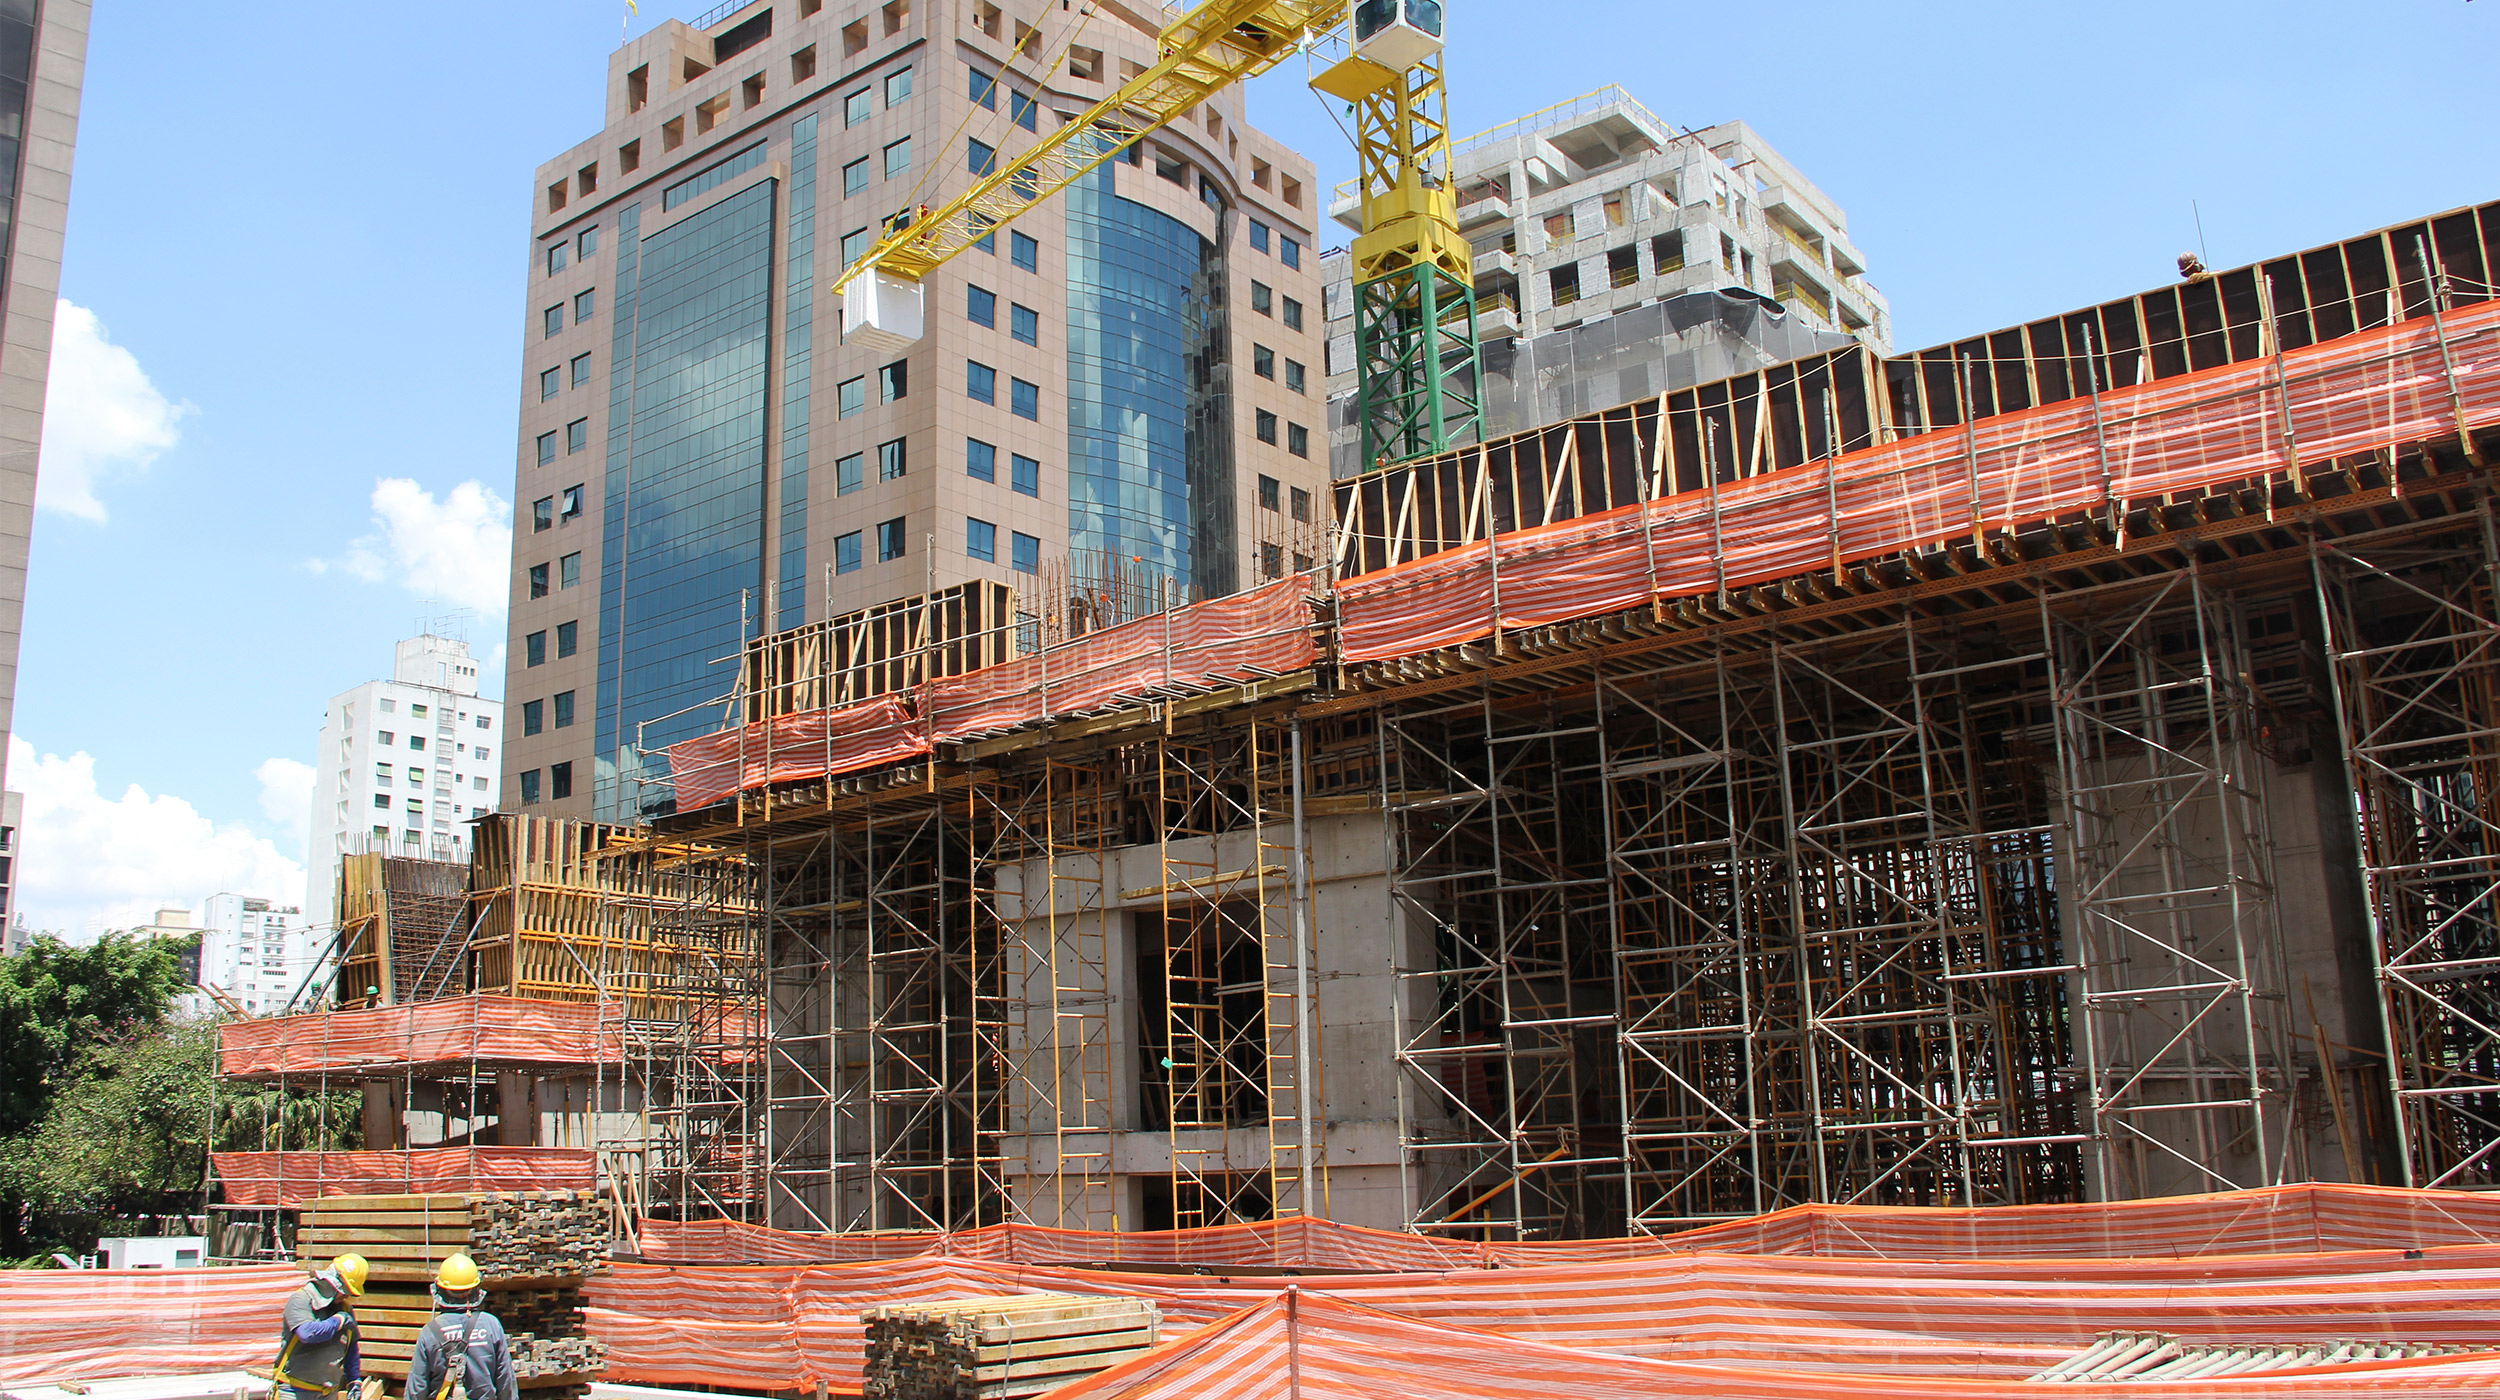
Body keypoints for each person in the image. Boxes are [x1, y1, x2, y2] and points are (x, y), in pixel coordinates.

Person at [405, 1253, 518, 1400]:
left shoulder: (430, 1332)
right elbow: (505, 1381)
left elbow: (416, 1388)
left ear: (441, 1290)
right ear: (475, 1288)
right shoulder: (491, 1326)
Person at [273, 1253, 367, 1400]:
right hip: (294, 1391)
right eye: (344, 1291)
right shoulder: (301, 1300)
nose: (346, 1296)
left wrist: (354, 1379)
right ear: (332, 1282)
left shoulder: (344, 1309)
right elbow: (307, 1333)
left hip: (328, 1393)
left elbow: (351, 1348)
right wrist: (337, 1321)